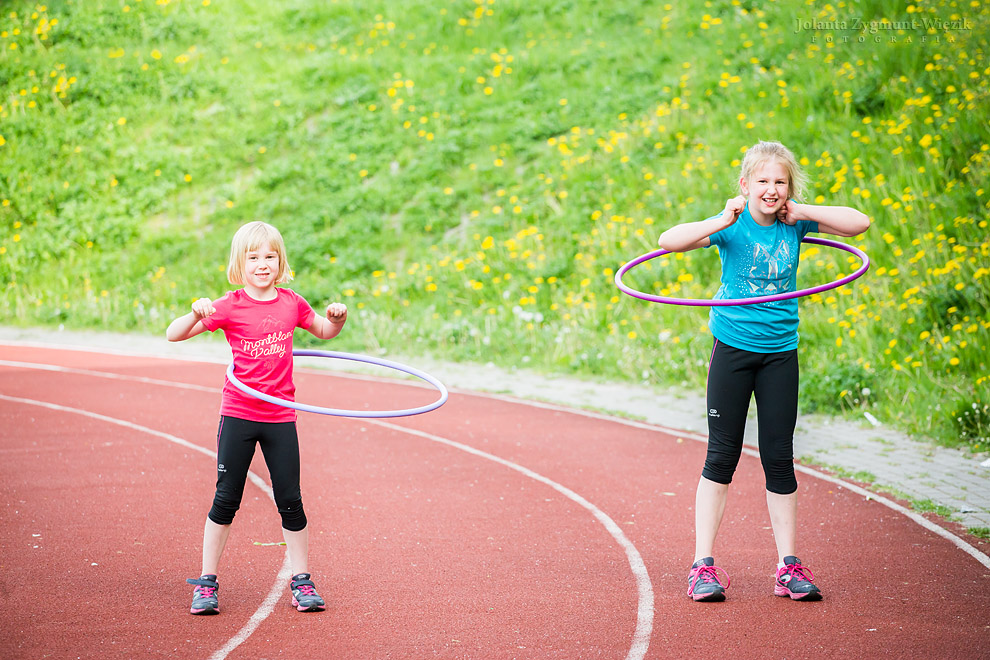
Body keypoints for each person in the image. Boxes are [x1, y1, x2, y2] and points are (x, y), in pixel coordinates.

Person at [657, 141, 870, 602]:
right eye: (763, 181)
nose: (771, 190)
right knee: (722, 455)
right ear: (745, 185)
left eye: (780, 182)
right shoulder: (731, 229)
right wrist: (722, 218)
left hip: (780, 354)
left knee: (779, 456)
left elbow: (860, 223)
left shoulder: (796, 223)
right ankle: (702, 566)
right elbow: (667, 242)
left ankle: (788, 567)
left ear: (788, 189)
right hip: (732, 350)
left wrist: (803, 210)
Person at [166, 221, 348, 615]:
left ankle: (302, 581)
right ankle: (207, 583)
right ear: (240, 263)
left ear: (280, 261)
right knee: (226, 498)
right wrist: (194, 312)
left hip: (281, 416)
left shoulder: (292, 302)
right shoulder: (228, 305)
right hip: (239, 414)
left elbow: (323, 331)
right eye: (253, 257)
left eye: (269, 256)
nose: (262, 264)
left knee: (291, 500)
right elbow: (173, 334)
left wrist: (337, 318)